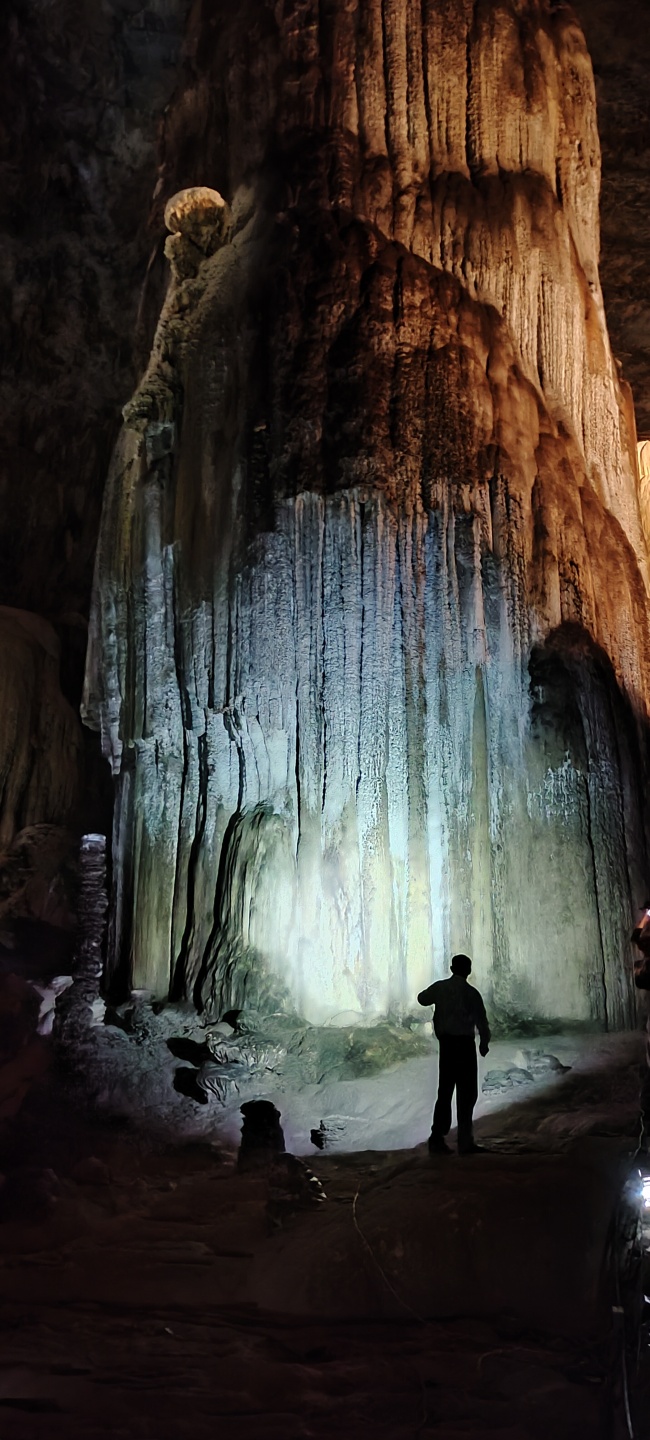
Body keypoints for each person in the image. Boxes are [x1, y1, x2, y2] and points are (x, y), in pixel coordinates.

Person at [418, 954, 491, 1155]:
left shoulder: (441, 988)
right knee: (467, 1094)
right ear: (468, 970)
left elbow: (422, 999)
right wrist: (484, 1042)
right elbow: (482, 1021)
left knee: (445, 1091)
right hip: (466, 1046)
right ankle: (465, 1141)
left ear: (451, 968)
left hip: (448, 1045)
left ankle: (437, 1138)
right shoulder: (472, 993)